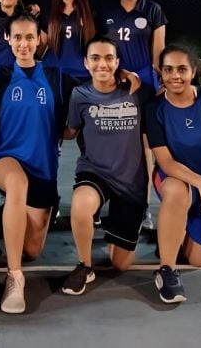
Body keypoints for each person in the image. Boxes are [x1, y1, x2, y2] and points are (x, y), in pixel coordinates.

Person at [0, 13, 73, 314]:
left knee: (33, 250)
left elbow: (94, 94)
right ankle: (14, 277)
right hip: (6, 158)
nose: (23, 44)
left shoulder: (56, 78)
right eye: (18, 38)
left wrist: (128, 78)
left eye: (29, 37)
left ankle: (4, 217)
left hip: (43, 168)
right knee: (16, 183)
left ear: (39, 40)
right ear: (8, 40)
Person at [144, 44, 201, 303]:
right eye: (168, 70)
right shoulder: (154, 109)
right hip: (173, 178)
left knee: (198, 260)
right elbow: (164, 161)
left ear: (193, 71)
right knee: (176, 190)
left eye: (182, 69)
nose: (175, 75)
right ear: (160, 73)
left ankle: (174, 228)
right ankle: (167, 270)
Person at [61, 36, 153, 295]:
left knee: (120, 265)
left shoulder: (137, 91)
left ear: (118, 62)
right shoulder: (79, 94)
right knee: (80, 205)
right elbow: (70, 130)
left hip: (131, 181)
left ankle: (116, 231)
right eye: (95, 58)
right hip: (96, 172)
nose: (102, 63)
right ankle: (84, 265)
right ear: (86, 63)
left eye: (109, 58)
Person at [99, 0, 168, 230]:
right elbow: (101, 49)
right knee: (117, 149)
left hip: (144, 89)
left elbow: (158, 55)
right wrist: (119, 75)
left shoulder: (153, 11)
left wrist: (149, 79)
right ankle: (117, 202)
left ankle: (144, 207)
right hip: (114, 88)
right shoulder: (106, 11)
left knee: (144, 150)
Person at [42, 0, 97, 81]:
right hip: (52, 75)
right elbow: (40, 46)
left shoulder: (91, 13)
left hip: (83, 75)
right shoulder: (48, 13)